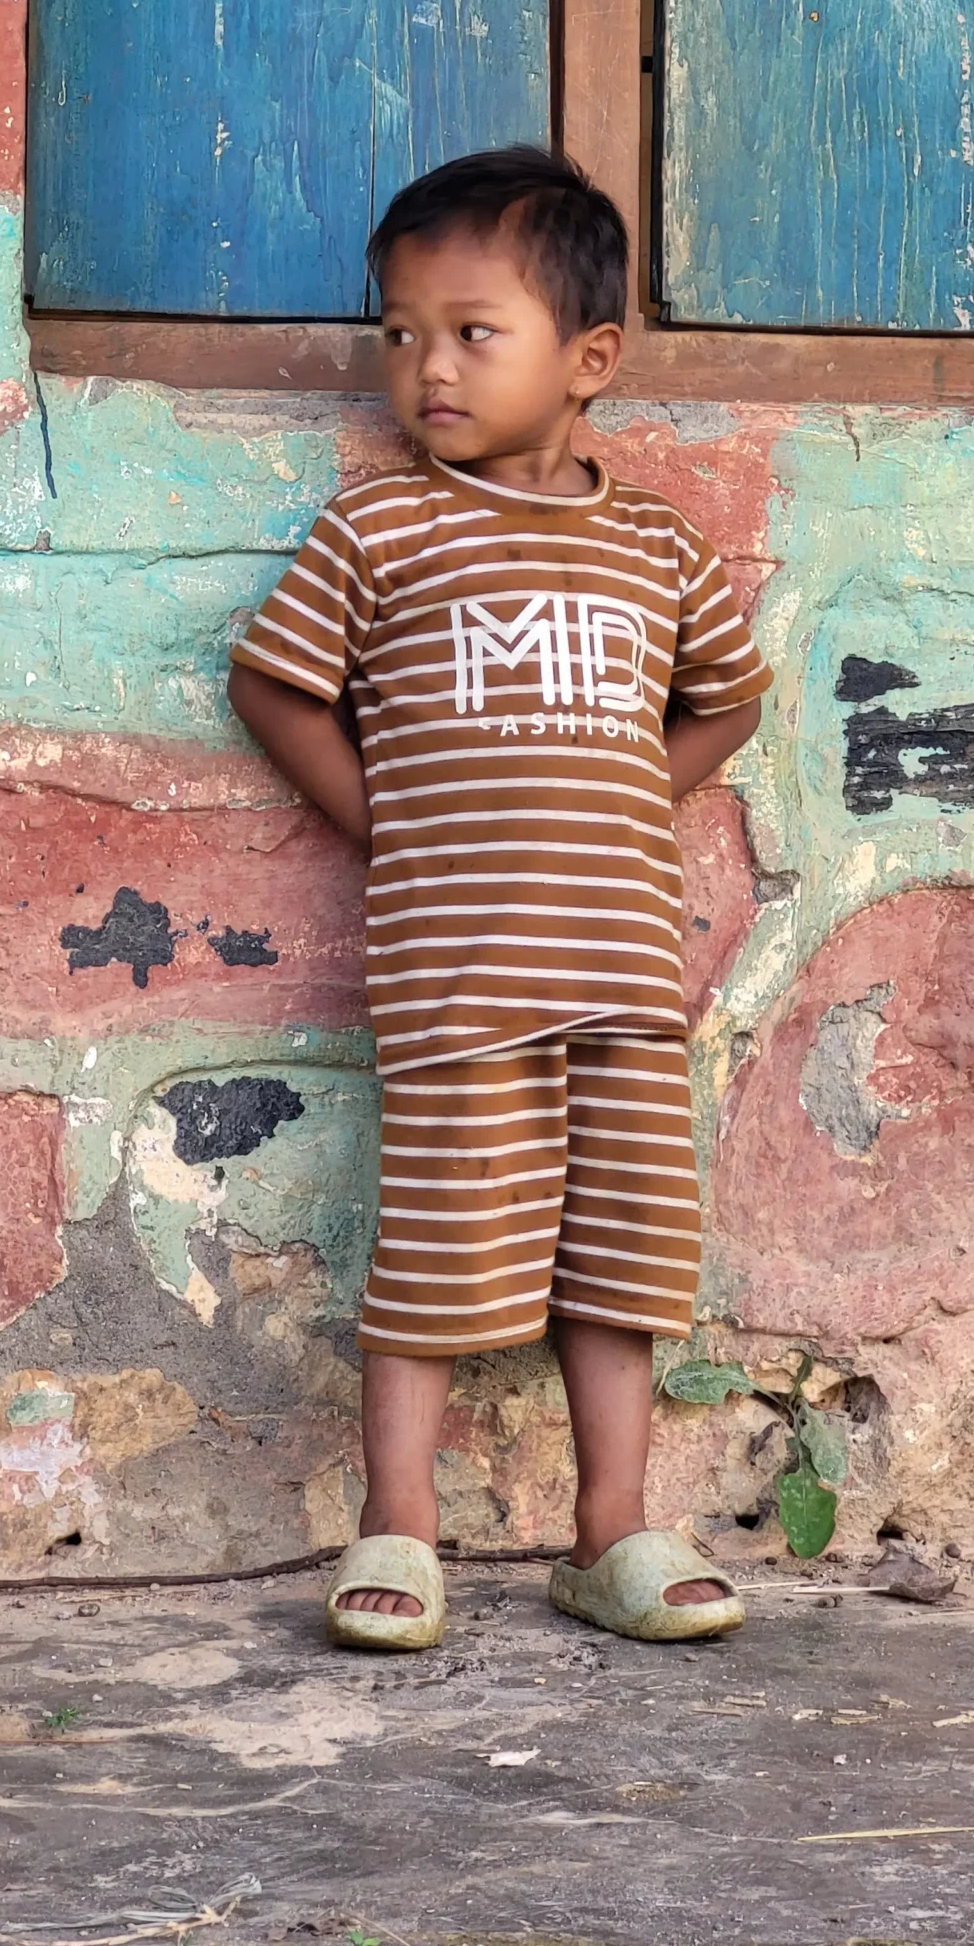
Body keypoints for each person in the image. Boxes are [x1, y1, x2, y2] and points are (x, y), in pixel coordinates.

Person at [227, 145, 772, 1651]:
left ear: (589, 359)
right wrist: (388, 824)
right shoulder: (382, 531)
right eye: (399, 336)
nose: (428, 369)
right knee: (438, 1254)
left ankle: (614, 1533)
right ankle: (398, 1524)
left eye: (473, 332)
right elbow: (273, 687)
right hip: (459, 972)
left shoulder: (653, 543)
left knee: (623, 1257)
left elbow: (728, 698)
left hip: (621, 977)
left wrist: (626, 801)